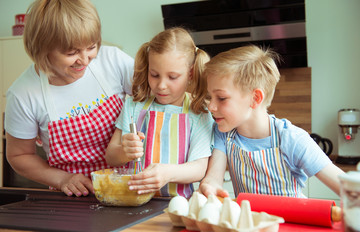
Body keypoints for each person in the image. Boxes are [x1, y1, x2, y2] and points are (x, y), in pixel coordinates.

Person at [5, 0, 134, 197]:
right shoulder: (24, 94)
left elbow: (155, 100)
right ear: (42, 49)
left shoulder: (113, 61)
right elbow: (19, 155)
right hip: (74, 198)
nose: (84, 60)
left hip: (131, 187)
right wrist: (62, 179)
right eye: (72, 52)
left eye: (91, 47)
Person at [199, 45, 344, 198]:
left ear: (255, 98)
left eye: (221, 98)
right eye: (210, 97)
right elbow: (214, 178)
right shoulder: (224, 133)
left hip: (290, 220)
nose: (211, 106)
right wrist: (209, 186)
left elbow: (346, 187)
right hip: (250, 221)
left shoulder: (292, 139)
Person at [105, 27, 214, 198]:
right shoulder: (134, 106)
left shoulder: (199, 112)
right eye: (154, 74)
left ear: (191, 73)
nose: (161, 85)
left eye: (172, 77)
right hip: (132, 201)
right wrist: (124, 152)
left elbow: (199, 168)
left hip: (176, 204)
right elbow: (110, 157)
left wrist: (167, 173)